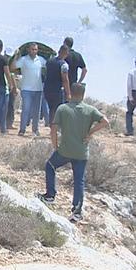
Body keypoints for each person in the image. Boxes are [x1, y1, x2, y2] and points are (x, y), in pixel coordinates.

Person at [37, 83, 109, 222]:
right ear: (83, 94)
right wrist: (90, 132)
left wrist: (55, 145)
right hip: (82, 152)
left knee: (50, 166)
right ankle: (77, 211)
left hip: (65, 150)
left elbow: (53, 129)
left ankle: (50, 195)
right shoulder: (90, 109)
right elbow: (105, 122)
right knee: (79, 180)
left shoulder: (63, 108)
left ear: (70, 93)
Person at [11, 42, 45, 136]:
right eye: (32, 49)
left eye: (35, 49)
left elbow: (49, 66)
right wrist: (15, 56)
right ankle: (22, 129)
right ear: (28, 50)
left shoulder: (41, 60)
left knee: (36, 111)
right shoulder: (23, 59)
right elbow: (13, 67)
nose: (34, 51)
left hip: (38, 89)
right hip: (26, 89)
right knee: (26, 109)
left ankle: (35, 130)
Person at [43, 45, 71, 126]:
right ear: (66, 53)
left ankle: (52, 126)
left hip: (47, 89)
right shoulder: (64, 64)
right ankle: (55, 127)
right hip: (57, 90)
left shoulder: (49, 61)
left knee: (51, 109)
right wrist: (68, 93)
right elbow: (65, 79)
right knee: (57, 110)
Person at [0, 38, 16, 134]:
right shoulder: (3, 59)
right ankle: (2, 127)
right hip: (2, 85)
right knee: (3, 108)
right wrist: (11, 85)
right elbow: (7, 72)